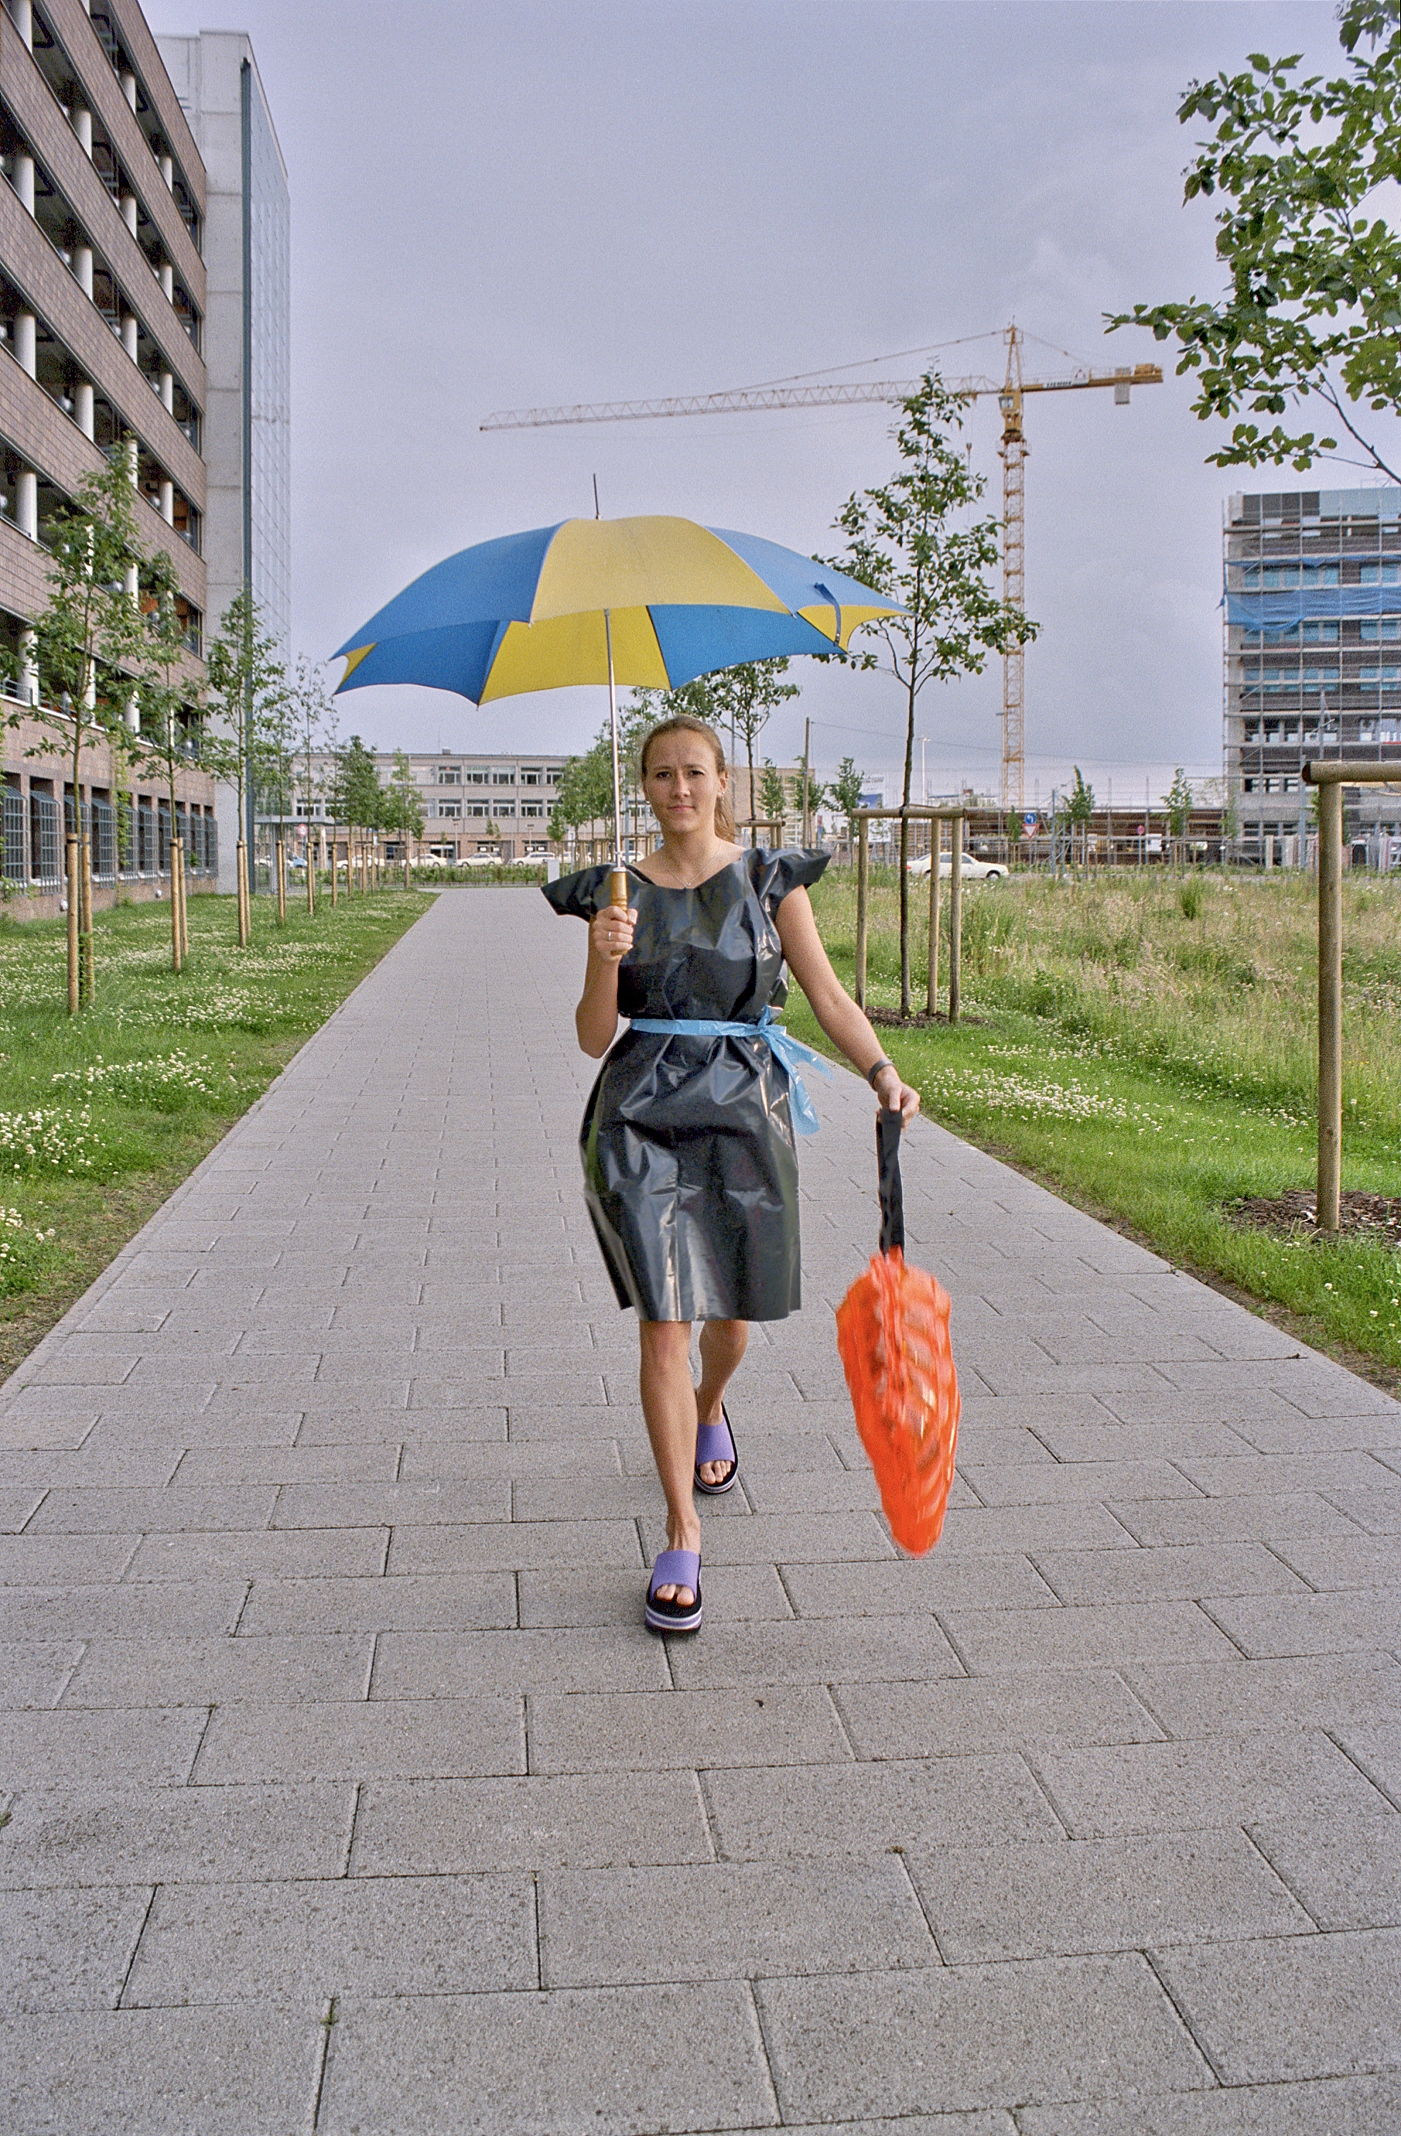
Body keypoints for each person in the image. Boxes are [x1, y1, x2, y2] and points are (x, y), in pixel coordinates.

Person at [543, 713, 919, 1633]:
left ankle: (711, 1407)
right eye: (662, 775)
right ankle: (680, 1532)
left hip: (746, 1112)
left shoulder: (767, 878)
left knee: (732, 1321)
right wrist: (605, 959)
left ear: (722, 782)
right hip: (638, 1116)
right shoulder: (615, 893)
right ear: (645, 787)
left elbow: (827, 994)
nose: (679, 790)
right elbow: (595, 1037)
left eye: (695, 773)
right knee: (663, 1322)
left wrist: (882, 1070)